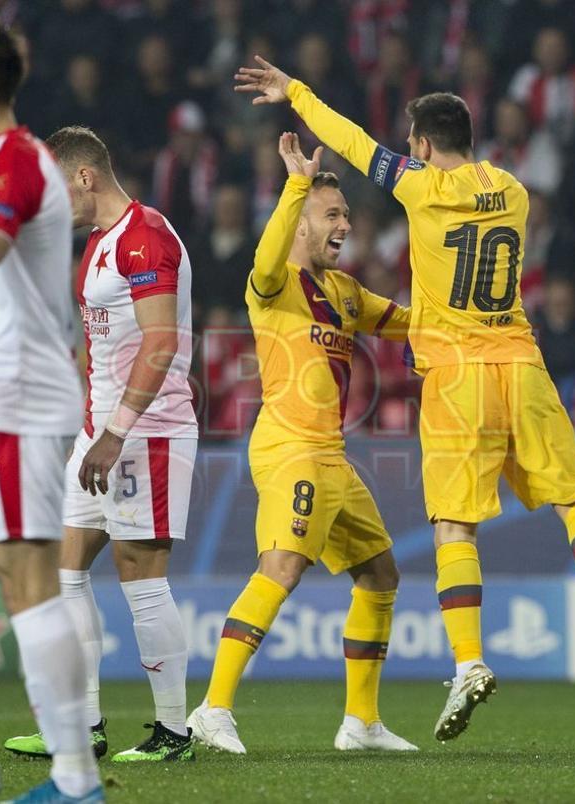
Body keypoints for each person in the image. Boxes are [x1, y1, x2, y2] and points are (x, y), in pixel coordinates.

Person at [233, 55, 575, 742]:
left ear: (420, 144)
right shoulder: (515, 191)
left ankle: (469, 660)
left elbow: (352, 143)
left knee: (455, 526)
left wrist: (293, 91)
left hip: (457, 376)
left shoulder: (421, 188)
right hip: (523, 362)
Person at [187, 132, 417, 754]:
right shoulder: (275, 284)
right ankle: (211, 709)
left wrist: (463, 312)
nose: (345, 224)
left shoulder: (344, 293)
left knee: (379, 574)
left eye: (345, 214)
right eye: (332, 216)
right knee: (282, 568)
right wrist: (295, 185)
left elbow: (403, 319)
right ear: (302, 226)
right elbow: (264, 260)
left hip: (332, 455)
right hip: (290, 447)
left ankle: (360, 722)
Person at [4, 126, 197, 763]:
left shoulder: (146, 239)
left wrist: (113, 434)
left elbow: (161, 343)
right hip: (103, 432)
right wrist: (88, 425)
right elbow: (102, 346)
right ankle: (83, 726)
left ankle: (174, 733)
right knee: (63, 569)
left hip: (148, 433)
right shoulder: (98, 244)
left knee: (140, 577)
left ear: (85, 178)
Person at [0, 27, 102, 803]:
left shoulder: (16, 162)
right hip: (16, 390)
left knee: (33, 572)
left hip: (21, 394)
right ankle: (74, 773)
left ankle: (74, 776)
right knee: (19, 573)